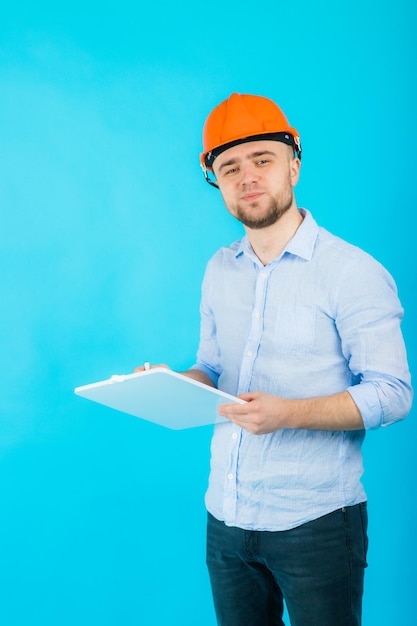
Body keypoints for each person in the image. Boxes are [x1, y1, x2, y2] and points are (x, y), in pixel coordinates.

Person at [139, 93, 413, 625]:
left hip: (316, 522)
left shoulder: (351, 271)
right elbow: (212, 368)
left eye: (262, 159)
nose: (247, 177)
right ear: (215, 181)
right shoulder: (219, 269)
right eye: (230, 167)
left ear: (294, 163)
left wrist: (287, 413)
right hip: (226, 516)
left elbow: (393, 393)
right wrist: (176, 384)